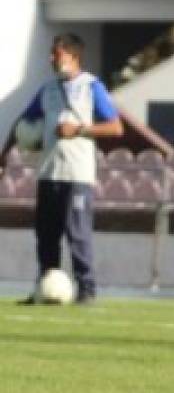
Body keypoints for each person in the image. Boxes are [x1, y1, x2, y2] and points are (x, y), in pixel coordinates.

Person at [1, 33, 124, 304]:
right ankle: (44, 290)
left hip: (77, 175)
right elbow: (24, 121)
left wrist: (79, 129)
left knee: (77, 235)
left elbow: (116, 127)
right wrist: (5, 152)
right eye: (51, 53)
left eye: (56, 54)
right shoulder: (47, 90)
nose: (51, 59)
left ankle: (87, 290)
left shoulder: (92, 87)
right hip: (48, 173)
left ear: (73, 56)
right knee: (46, 237)